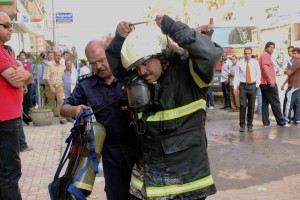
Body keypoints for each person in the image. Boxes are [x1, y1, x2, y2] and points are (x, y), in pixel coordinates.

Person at [108, 14, 223, 199]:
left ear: (162, 55)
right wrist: (119, 40)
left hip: (185, 187)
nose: (141, 71)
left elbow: (209, 53)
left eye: (145, 63)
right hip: (144, 187)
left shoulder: (191, 75)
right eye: (136, 66)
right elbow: (118, 65)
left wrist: (173, 27)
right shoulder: (140, 80)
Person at [60, 40, 138, 200]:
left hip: (139, 148)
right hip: (111, 153)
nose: (99, 66)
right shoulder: (86, 85)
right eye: (93, 63)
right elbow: (63, 109)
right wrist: (75, 110)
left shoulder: (129, 76)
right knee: (116, 195)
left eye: (102, 60)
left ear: (110, 54)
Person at [0, 11, 32, 199]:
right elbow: (18, 81)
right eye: (6, 25)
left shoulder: (5, 50)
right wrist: (25, 76)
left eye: (11, 25)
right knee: (10, 172)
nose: (11, 28)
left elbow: (25, 75)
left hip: (9, 118)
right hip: (5, 121)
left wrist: (26, 75)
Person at [259, 42, 289, 127]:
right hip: (268, 83)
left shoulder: (264, 55)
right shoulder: (265, 55)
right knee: (275, 102)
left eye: (273, 47)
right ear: (266, 47)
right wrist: (270, 80)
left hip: (264, 83)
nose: (272, 49)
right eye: (270, 47)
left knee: (265, 103)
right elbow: (265, 67)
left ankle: (266, 123)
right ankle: (281, 122)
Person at [234, 48, 261, 132]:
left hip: (252, 86)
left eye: (249, 53)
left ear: (251, 53)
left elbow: (258, 74)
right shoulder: (239, 63)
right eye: (245, 53)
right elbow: (237, 76)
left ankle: (250, 125)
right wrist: (235, 86)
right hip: (243, 86)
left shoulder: (255, 62)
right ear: (243, 53)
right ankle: (242, 125)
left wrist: (256, 85)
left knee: (251, 107)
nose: (247, 55)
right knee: (242, 106)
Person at [43, 51, 66, 124]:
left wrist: (62, 83)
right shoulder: (49, 64)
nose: (58, 57)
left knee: (61, 102)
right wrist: (51, 86)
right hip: (50, 86)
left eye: (60, 55)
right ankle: (48, 119)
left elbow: (61, 76)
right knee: (50, 103)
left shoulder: (62, 65)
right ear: (54, 56)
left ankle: (62, 118)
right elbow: (46, 77)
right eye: (57, 55)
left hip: (59, 86)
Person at [282, 47, 300, 125]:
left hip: (294, 85)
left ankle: (286, 120)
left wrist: (285, 71)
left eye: (295, 53)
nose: (293, 55)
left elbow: (288, 72)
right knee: (298, 103)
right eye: (293, 53)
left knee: (288, 103)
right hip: (297, 85)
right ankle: (297, 119)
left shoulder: (297, 62)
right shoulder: (295, 62)